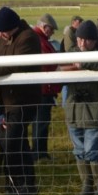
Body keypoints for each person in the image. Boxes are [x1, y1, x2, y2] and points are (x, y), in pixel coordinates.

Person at [0, 6, 41, 195]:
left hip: (23, 100)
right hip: (6, 101)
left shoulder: (28, 38)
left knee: (13, 144)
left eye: (2, 30)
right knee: (20, 144)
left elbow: (16, 64)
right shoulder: (3, 39)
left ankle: (18, 187)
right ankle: (25, 186)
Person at [57, 20, 98, 195]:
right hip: (74, 109)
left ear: (94, 40)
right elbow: (60, 69)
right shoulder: (70, 54)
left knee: (92, 149)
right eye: (79, 39)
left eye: (86, 40)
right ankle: (87, 184)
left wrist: (83, 65)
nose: (82, 43)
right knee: (79, 150)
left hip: (95, 109)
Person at [30, 14, 60, 161]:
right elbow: (47, 64)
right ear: (44, 27)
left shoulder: (39, 39)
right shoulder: (39, 41)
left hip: (43, 88)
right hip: (43, 89)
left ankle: (40, 151)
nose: (53, 32)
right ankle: (38, 153)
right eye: (51, 29)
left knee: (41, 122)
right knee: (40, 122)